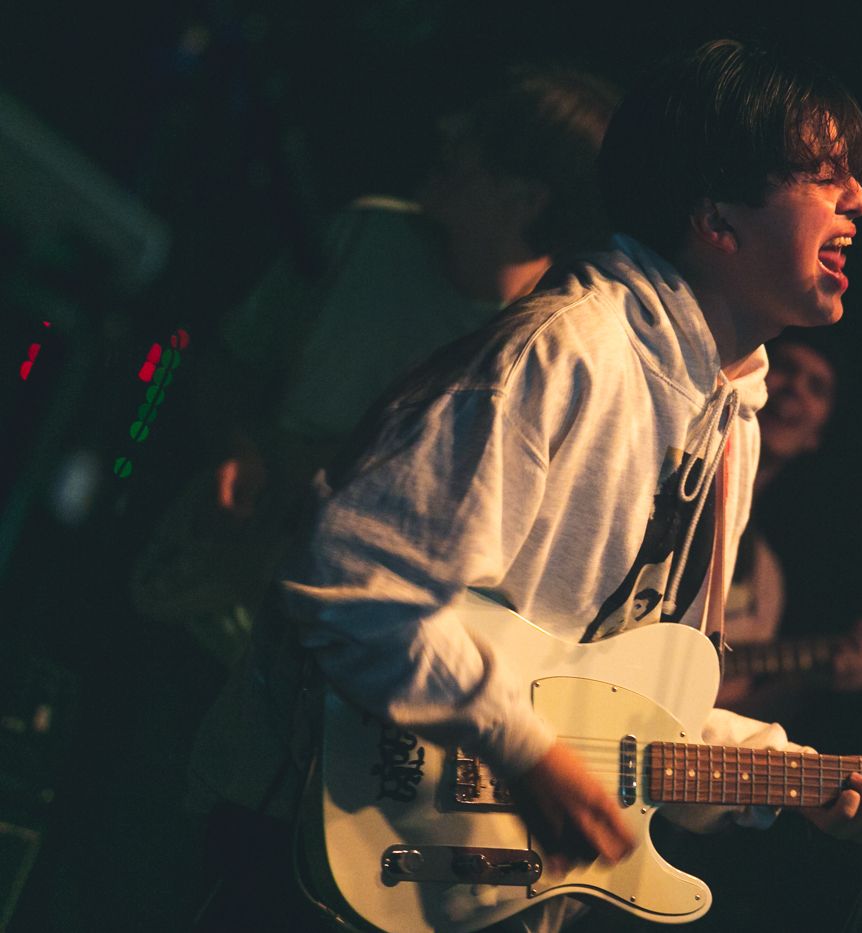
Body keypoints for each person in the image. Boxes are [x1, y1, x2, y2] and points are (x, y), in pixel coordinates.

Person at [189, 38, 862, 932]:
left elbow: (620, 701)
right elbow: (350, 579)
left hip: (474, 896)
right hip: (319, 859)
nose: (860, 201)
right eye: (825, 174)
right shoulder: (567, 351)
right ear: (717, 213)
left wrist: (797, 776)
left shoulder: (733, 423)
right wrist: (525, 752)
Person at [129, 65, 620, 666]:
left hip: (327, 670)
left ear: (525, 199)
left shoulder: (549, 355)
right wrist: (236, 446)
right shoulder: (366, 233)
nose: (449, 128)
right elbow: (231, 362)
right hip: (197, 601)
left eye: (483, 132)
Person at [717, 327, 862, 722]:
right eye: (785, 368)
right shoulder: (676, 495)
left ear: (815, 437)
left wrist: (807, 684)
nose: (795, 389)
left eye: (817, 387)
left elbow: (718, 718)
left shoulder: (766, 579)